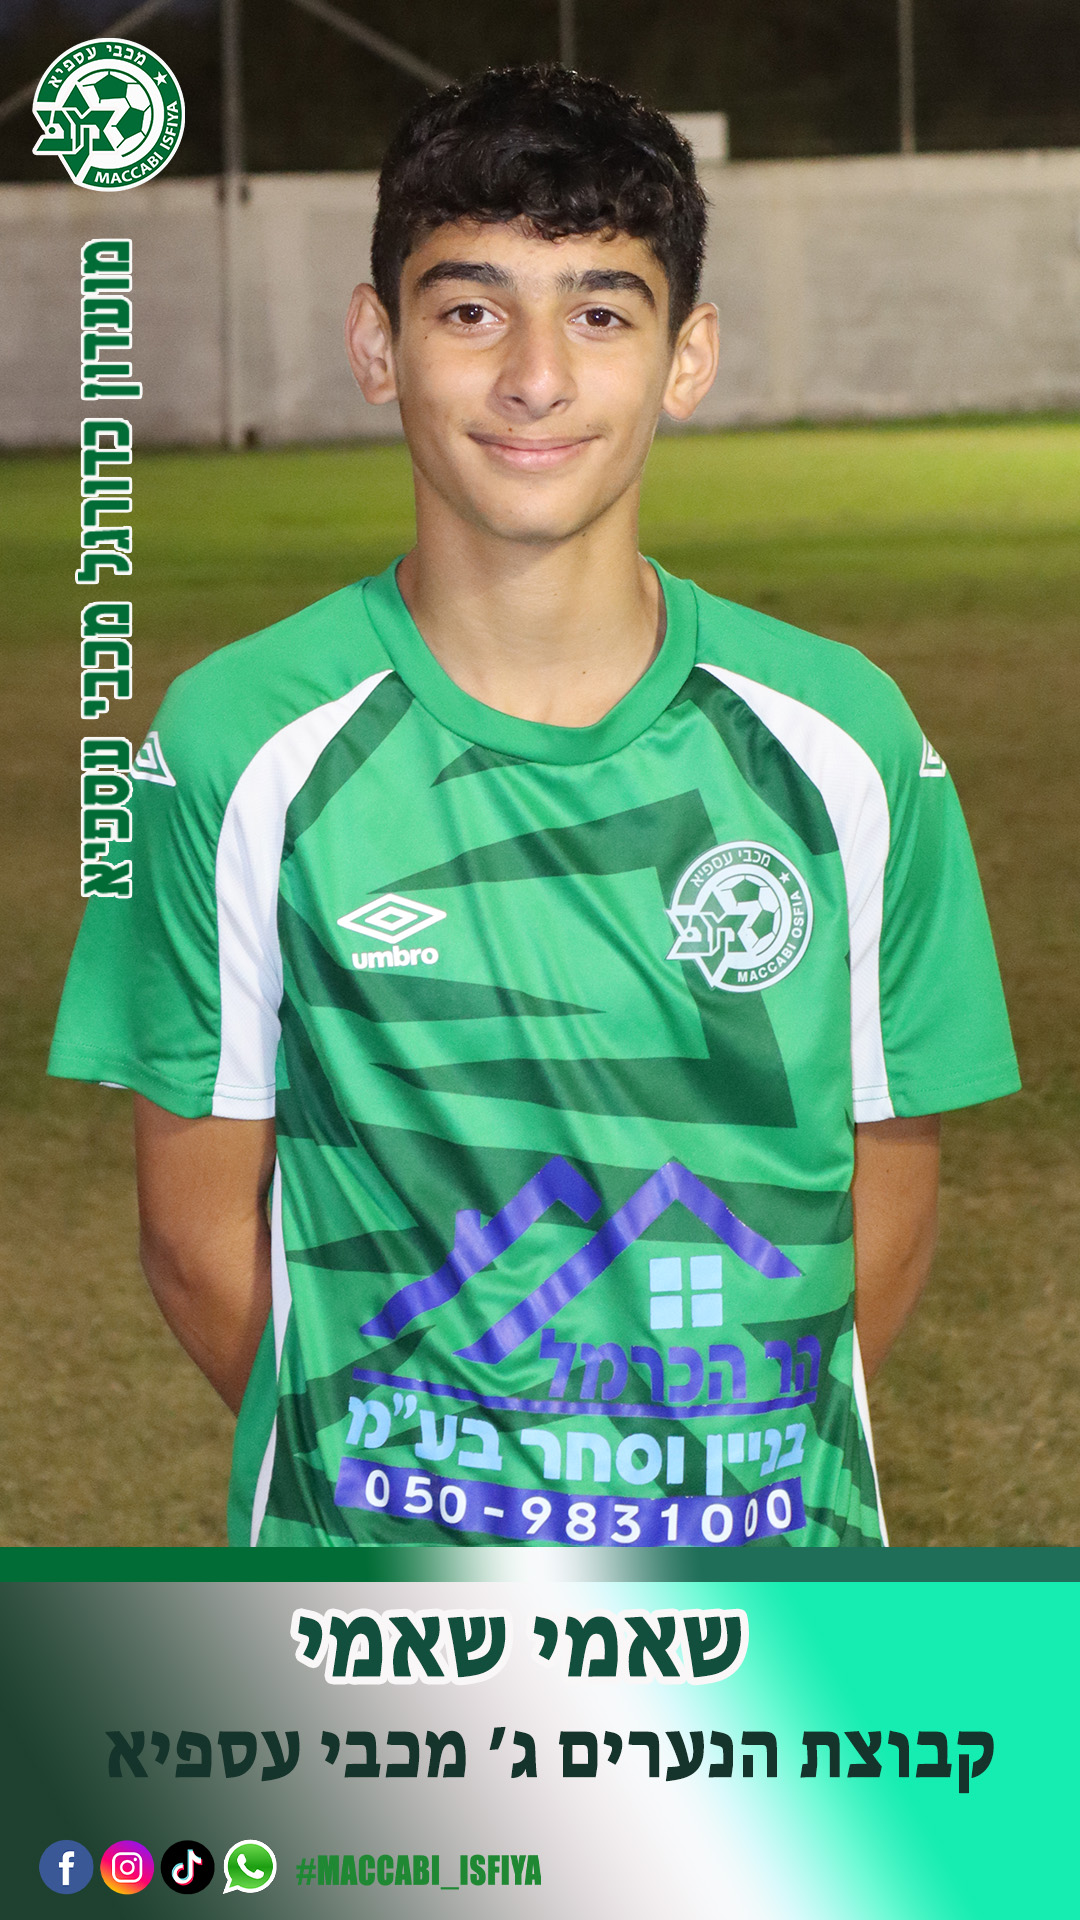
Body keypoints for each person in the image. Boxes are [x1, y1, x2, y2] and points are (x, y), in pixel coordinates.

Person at [49, 64, 1019, 1549]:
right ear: (376, 344)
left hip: (758, 1582)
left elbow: (881, 1205)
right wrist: (448, 1524)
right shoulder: (236, 740)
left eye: (603, 314)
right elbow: (193, 1236)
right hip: (381, 1592)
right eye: (470, 311)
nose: (536, 378)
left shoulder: (844, 739)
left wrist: (674, 1504)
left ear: (688, 358)